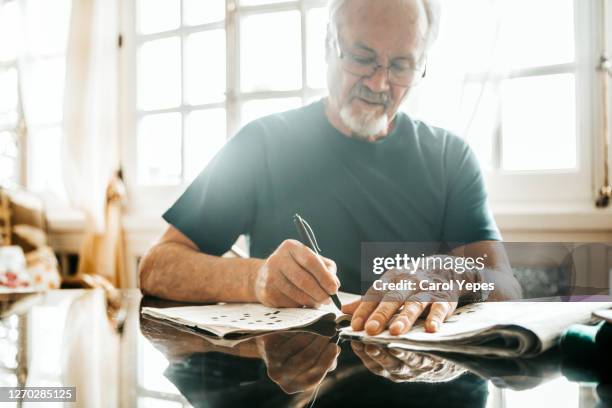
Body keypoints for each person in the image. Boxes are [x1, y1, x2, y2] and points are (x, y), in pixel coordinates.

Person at [139, 0, 521, 336]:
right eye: (361, 57)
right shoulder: (262, 144)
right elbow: (157, 267)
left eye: (401, 65)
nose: (379, 83)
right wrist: (255, 279)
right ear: (328, 46)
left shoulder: (450, 157)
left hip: (421, 379)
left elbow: (507, 285)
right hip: (293, 386)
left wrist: (454, 274)